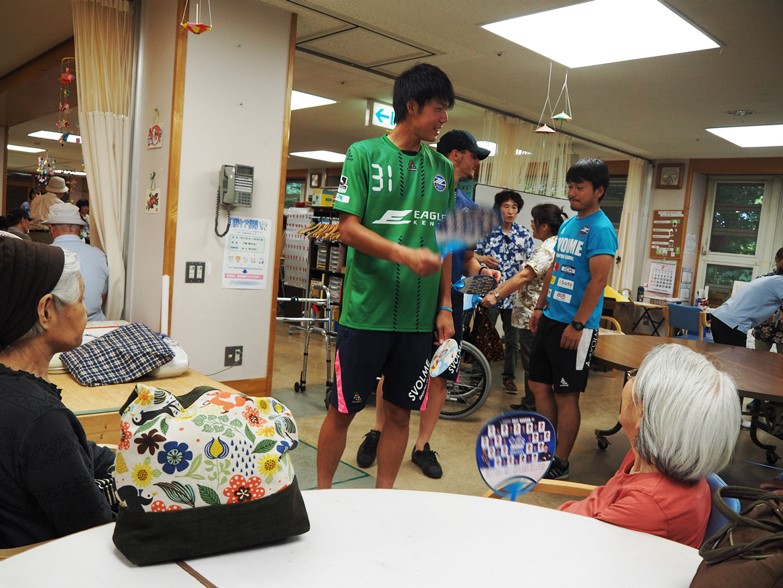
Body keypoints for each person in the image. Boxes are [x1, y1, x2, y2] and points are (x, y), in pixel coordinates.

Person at [316, 63, 456, 489]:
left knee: (399, 413)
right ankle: (323, 496)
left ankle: (383, 500)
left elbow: (445, 241)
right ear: (411, 106)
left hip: (417, 320)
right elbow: (348, 228)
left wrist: (445, 305)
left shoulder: (443, 169)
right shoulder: (363, 154)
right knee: (343, 409)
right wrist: (404, 254)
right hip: (365, 313)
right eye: (438, 108)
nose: (444, 118)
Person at [355, 129, 500, 479]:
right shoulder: (415, 191)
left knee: (440, 372)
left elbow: (466, 262)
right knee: (392, 371)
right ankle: (377, 430)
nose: (477, 163)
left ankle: (422, 445)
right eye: (473, 155)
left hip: (450, 305)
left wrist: (485, 276)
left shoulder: (467, 208)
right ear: (454, 155)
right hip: (408, 297)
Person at [559, 344, 740, 548]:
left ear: (644, 413)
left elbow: (578, 543)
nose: (630, 380)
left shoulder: (650, 503)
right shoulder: (645, 453)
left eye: (635, 376)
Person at [0, 237, 115, 548]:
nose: (84, 311)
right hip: (41, 564)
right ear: (47, 311)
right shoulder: (41, 420)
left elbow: (77, 453)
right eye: (80, 299)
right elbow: (95, 530)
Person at [529, 158, 618, 480]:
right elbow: (555, 268)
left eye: (579, 187)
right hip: (551, 317)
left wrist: (578, 324)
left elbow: (598, 281)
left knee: (566, 394)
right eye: (570, 186)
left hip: (576, 326)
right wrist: (540, 307)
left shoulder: (602, 230)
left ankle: (561, 460)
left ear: (599, 191)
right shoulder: (568, 225)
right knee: (538, 384)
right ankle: (547, 447)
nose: (572, 192)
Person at [480, 203, 568, 412]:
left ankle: (531, 408)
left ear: (544, 226)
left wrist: (496, 295)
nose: (531, 224)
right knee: (531, 363)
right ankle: (529, 403)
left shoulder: (548, 249)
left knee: (532, 365)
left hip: (533, 316)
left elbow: (524, 276)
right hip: (532, 313)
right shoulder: (556, 244)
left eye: (534, 221)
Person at [475, 190, 534, 392]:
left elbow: (531, 263)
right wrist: (483, 259)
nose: (510, 211)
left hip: (514, 296)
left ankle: (508, 377)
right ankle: (477, 377)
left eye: (514, 207)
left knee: (513, 341)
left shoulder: (524, 234)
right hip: (490, 293)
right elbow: (471, 256)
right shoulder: (487, 231)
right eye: (506, 206)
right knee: (484, 337)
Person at [44, 202, 109, 321]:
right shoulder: (99, 255)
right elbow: (102, 296)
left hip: (57, 327)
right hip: (96, 323)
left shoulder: (43, 255)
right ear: (80, 229)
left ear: (51, 228)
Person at [710, 273, 783, 347]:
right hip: (733, 323)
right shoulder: (780, 281)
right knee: (736, 354)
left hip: (720, 316)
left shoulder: (768, 279)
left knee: (724, 353)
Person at [751, 247, 783, 352]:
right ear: (777, 259)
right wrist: (763, 313)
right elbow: (752, 303)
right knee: (758, 360)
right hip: (764, 328)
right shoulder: (762, 280)